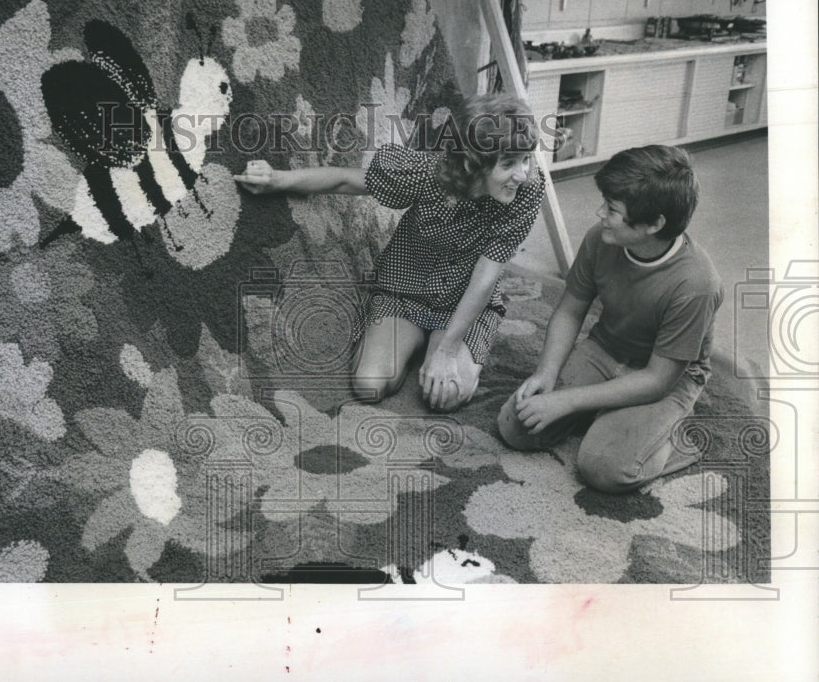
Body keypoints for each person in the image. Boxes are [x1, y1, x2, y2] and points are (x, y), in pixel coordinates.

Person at [234, 94, 545, 411]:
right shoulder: (427, 175)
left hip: (463, 301)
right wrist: (279, 179)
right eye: (508, 164)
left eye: (526, 159)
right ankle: (410, 339)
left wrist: (449, 349)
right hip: (404, 293)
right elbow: (346, 181)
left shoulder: (527, 190)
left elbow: (485, 277)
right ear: (473, 163)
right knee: (369, 386)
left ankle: (442, 343)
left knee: (446, 395)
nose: (521, 173)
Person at [497, 144, 723, 493]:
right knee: (515, 426)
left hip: (664, 376)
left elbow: (657, 380)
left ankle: (670, 435)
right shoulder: (601, 238)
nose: (600, 212)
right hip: (606, 348)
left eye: (612, 209)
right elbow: (571, 310)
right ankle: (609, 417)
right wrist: (547, 372)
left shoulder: (696, 284)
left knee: (605, 469)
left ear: (654, 224)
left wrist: (566, 400)